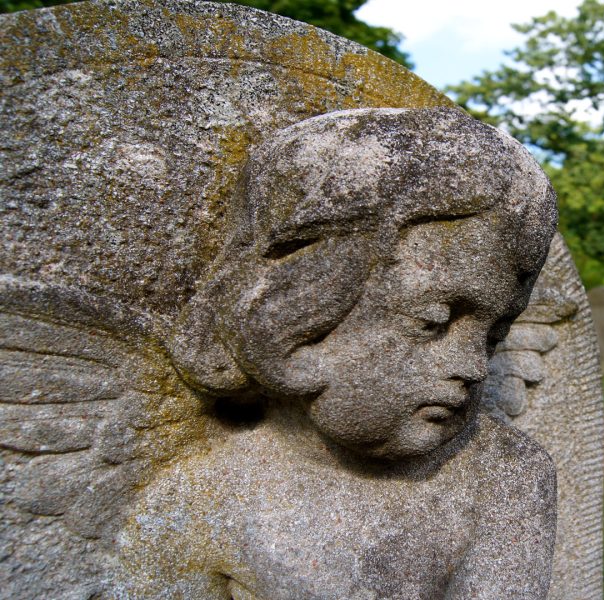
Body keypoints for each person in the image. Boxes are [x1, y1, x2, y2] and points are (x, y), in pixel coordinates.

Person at [114, 108, 560, 599]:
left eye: (493, 335)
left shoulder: (504, 475)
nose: (475, 366)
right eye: (433, 320)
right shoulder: (200, 502)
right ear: (299, 319)